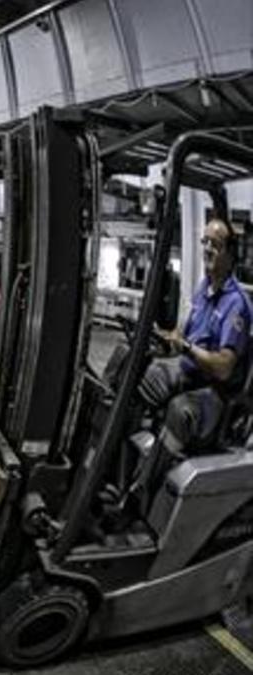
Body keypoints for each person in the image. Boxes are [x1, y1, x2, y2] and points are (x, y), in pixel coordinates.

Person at [124, 218, 253, 512]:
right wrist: (167, 340)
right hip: (191, 373)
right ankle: (119, 466)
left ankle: (141, 493)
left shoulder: (237, 304)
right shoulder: (203, 289)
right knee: (133, 370)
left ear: (230, 254)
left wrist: (185, 348)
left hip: (216, 392)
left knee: (179, 410)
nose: (207, 249)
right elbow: (184, 335)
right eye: (204, 241)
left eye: (215, 244)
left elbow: (223, 368)